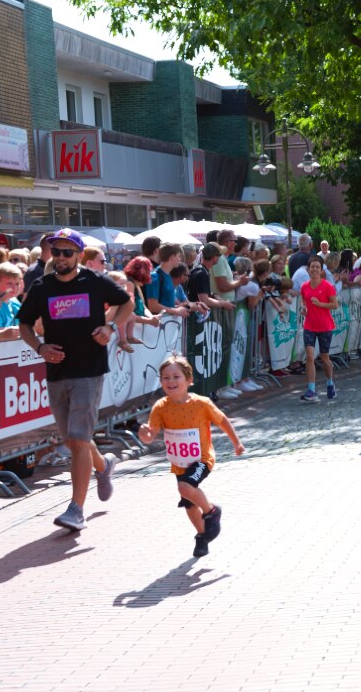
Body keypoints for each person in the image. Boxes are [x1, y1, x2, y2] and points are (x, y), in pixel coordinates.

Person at [16, 230, 134, 531]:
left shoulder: (94, 281)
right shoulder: (42, 286)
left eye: (67, 252)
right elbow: (24, 324)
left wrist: (110, 328)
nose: (61, 257)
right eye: (56, 251)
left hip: (89, 370)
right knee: (72, 439)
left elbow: (127, 303)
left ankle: (76, 509)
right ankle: (103, 465)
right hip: (57, 371)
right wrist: (39, 348)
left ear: (79, 255)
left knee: (79, 439)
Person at [138, 355, 244, 558]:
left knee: (185, 487)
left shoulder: (201, 403)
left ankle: (211, 512)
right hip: (179, 463)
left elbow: (222, 420)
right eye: (166, 378)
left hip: (202, 458)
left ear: (189, 380)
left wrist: (236, 442)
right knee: (189, 503)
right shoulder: (160, 407)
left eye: (176, 376)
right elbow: (151, 435)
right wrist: (145, 435)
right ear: (161, 382)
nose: (171, 381)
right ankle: (202, 535)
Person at [298, 255, 338, 402]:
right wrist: (303, 308)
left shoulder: (327, 286)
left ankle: (330, 383)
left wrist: (320, 304)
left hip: (325, 326)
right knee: (309, 357)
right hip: (309, 325)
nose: (314, 269)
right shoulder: (304, 286)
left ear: (321, 270)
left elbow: (335, 305)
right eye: (312, 267)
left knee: (324, 357)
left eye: (317, 267)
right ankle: (311, 390)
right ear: (308, 269)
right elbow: (303, 301)